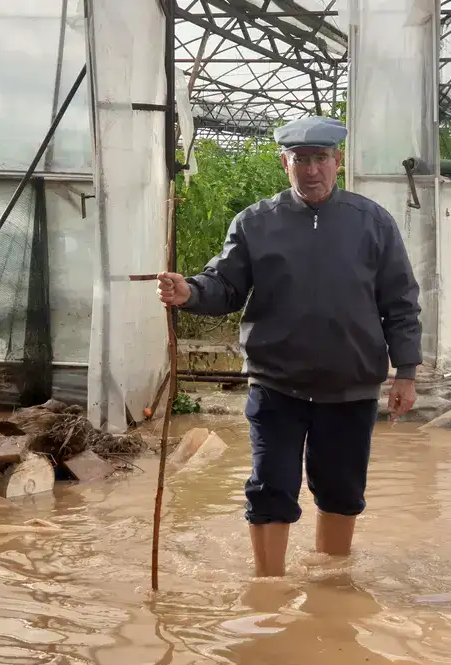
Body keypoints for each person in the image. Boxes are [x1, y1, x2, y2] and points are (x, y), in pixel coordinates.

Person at [156, 115, 422, 577]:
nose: (311, 170)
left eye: (320, 158)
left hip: (351, 387)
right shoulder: (256, 223)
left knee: (341, 490)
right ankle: (269, 589)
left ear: (337, 162)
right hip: (277, 385)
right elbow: (224, 284)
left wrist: (407, 372)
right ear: (285, 164)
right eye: (301, 160)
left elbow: (400, 301)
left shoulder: (373, 223)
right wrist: (191, 292)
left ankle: (331, 580)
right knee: (271, 488)